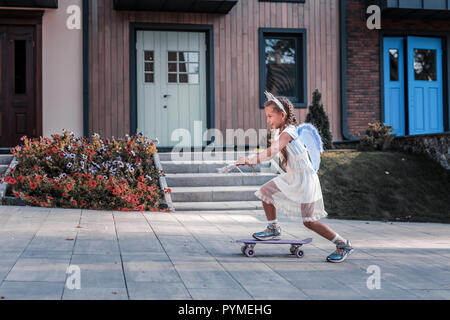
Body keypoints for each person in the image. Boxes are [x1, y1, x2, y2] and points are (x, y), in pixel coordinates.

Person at [236, 92, 354, 263]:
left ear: (282, 115)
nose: (268, 120)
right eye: (266, 116)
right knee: (265, 192)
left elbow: (272, 151)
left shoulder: (290, 131)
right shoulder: (281, 133)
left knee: (309, 221)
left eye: (270, 116)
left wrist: (251, 160)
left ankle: (343, 244)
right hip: (293, 177)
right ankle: (273, 228)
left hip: (305, 180)